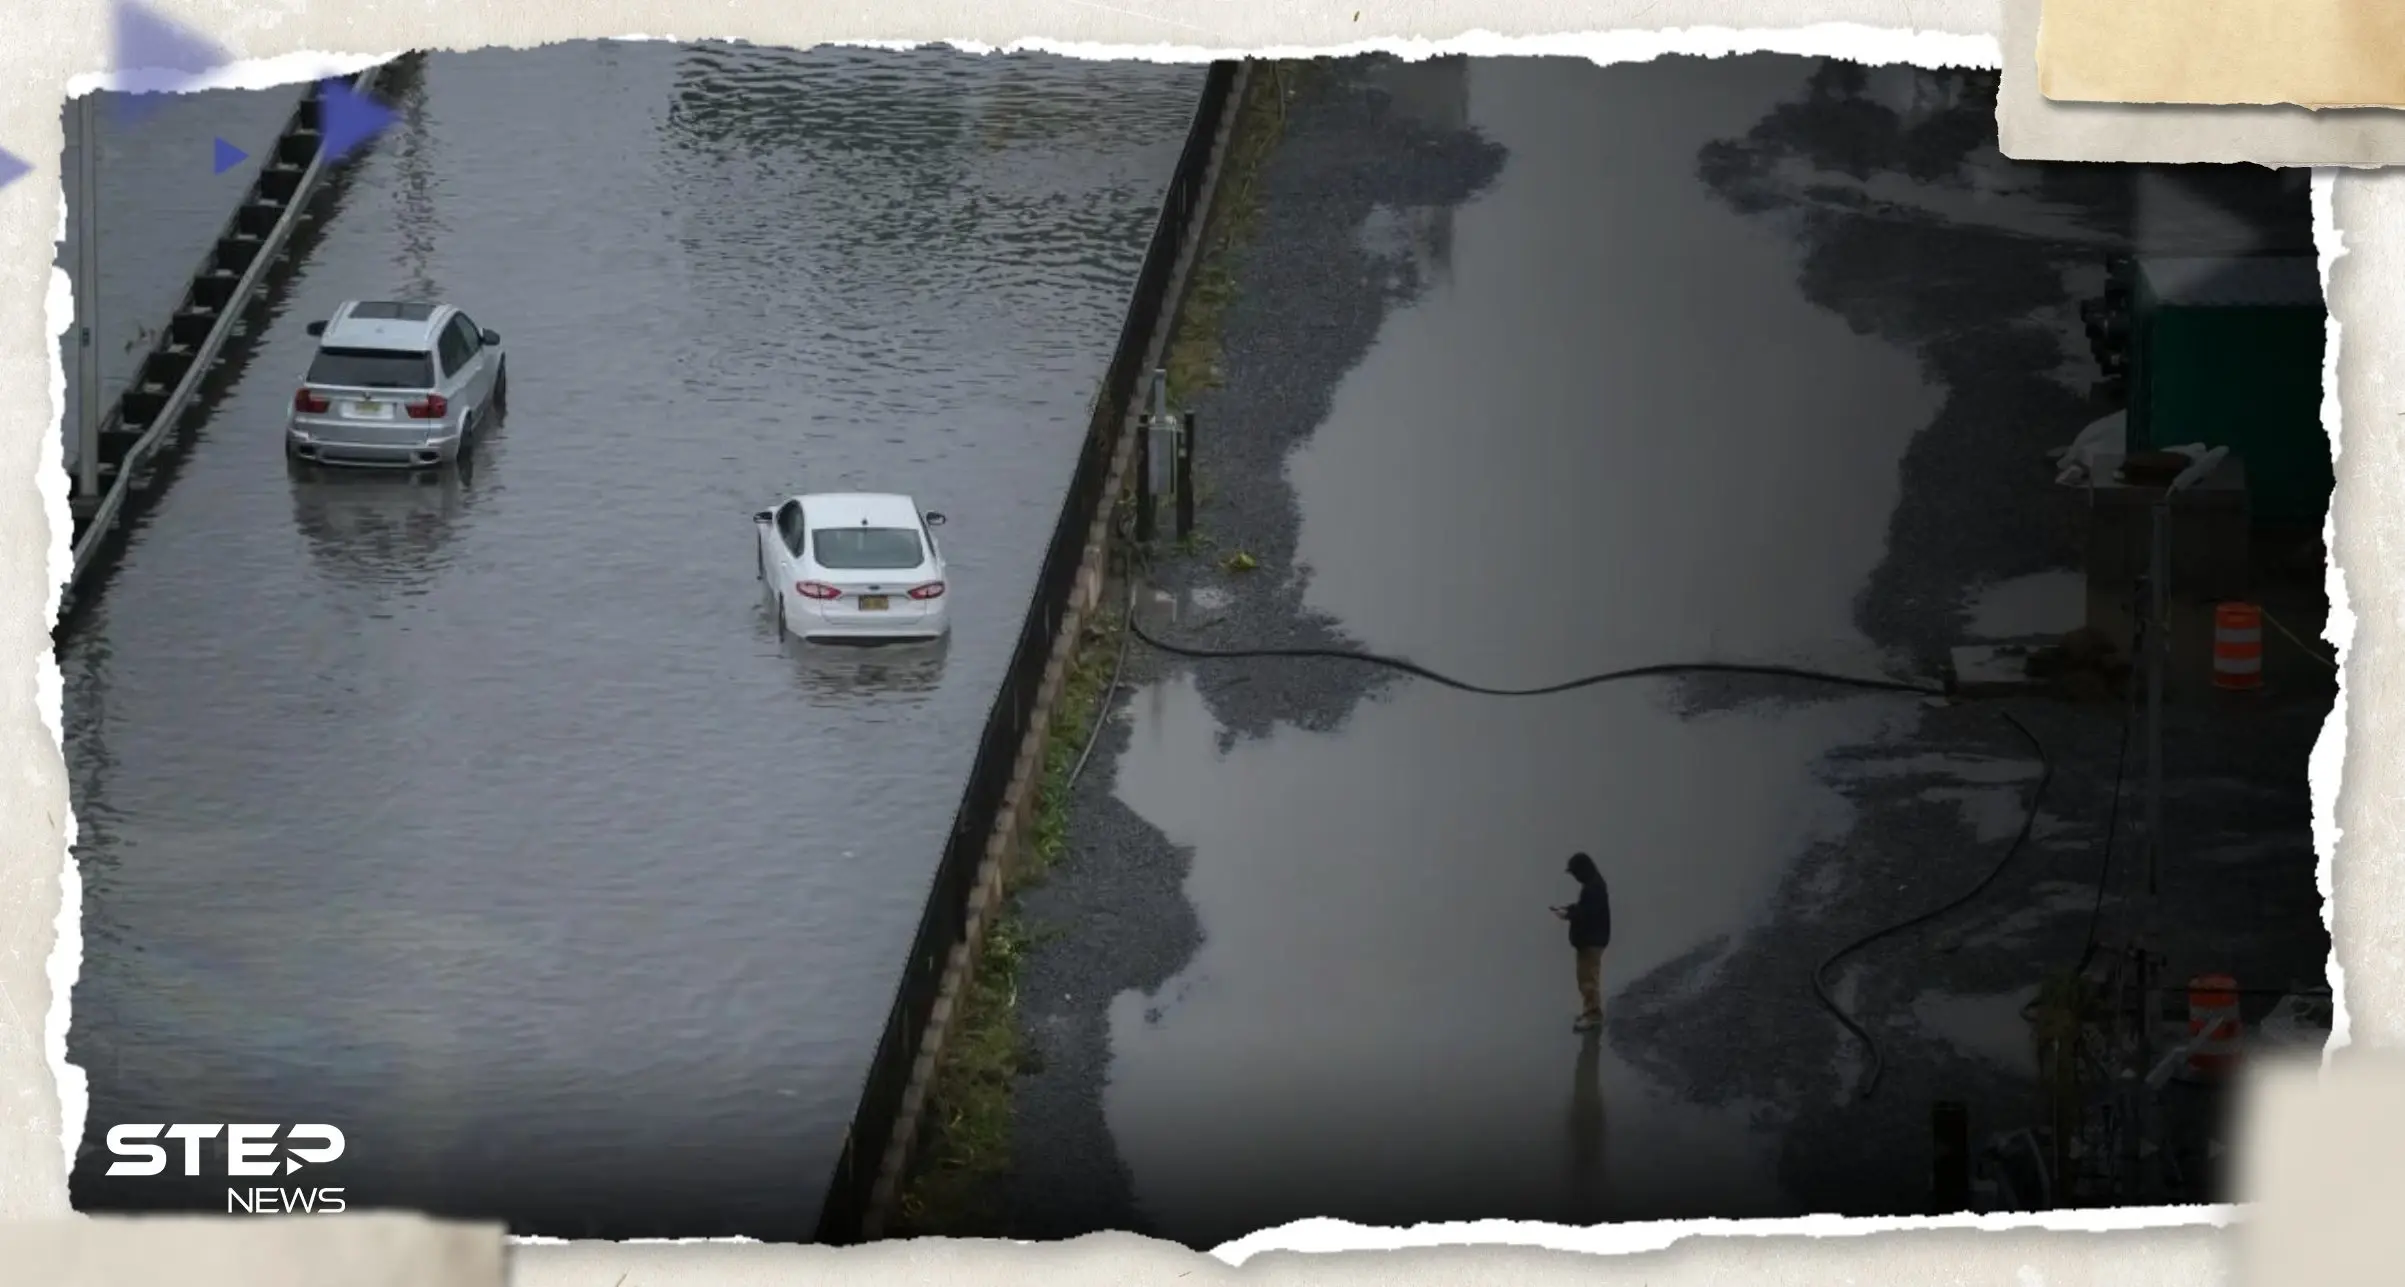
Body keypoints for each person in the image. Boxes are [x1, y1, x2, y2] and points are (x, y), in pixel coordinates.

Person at [1550, 852, 1612, 1032]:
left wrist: (1568, 914)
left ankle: (1593, 1016)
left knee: (1588, 980)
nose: (1575, 877)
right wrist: (1569, 909)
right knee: (1586, 978)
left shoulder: (1593, 888)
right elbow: (1585, 909)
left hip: (1591, 942)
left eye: (1575, 873)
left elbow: (1587, 914)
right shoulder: (1594, 885)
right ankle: (1590, 1011)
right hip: (1592, 940)